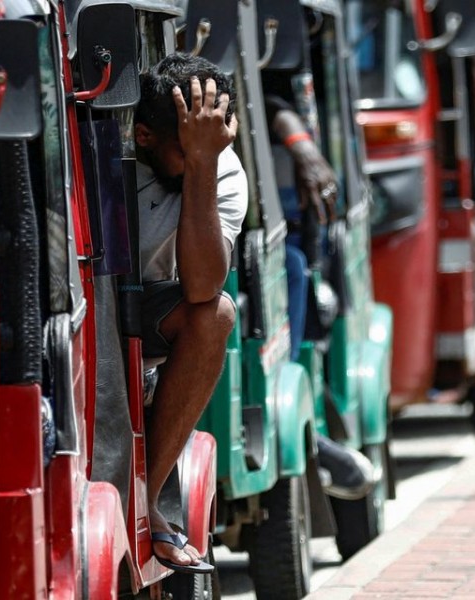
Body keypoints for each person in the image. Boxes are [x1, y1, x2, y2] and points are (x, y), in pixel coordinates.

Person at [124, 53, 246, 573]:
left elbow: (201, 287)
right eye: (188, 144)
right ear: (145, 137)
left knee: (216, 313)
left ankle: (144, 498)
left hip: (153, 311)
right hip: (90, 305)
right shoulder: (114, 155)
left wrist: (201, 162)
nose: (208, 151)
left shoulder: (219, 166)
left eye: (215, 139)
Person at [265, 94, 377, 501]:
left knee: (291, 266)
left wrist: (303, 149)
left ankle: (295, 417)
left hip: (299, 250)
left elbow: (272, 103)